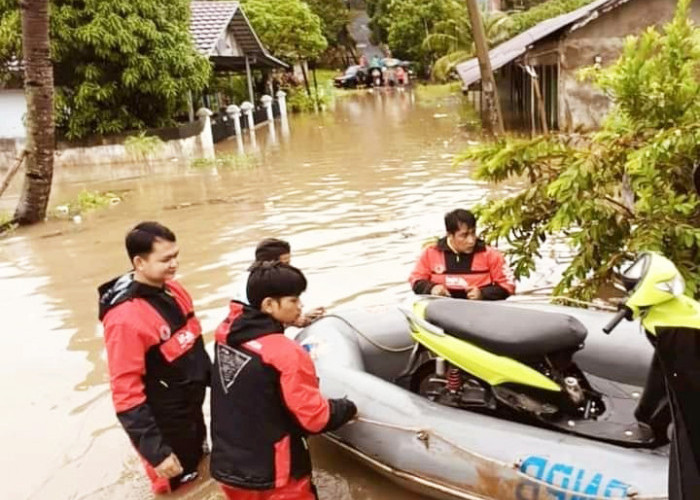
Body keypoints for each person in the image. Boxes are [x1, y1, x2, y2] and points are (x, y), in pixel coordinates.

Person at [211, 262, 358, 499]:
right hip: (277, 474)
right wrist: (346, 408)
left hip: (228, 466)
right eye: (293, 300)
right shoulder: (285, 353)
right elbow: (314, 418)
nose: (300, 306)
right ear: (268, 304)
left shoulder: (225, 335)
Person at [98, 222, 211, 494]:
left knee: (201, 467)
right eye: (166, 259)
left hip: (190, 408)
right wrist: (156, 452)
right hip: (164, 422)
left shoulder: (174, 290)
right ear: (139, 262)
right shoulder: (125, 319)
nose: (175, 264)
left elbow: (194, 344)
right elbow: (125, 392)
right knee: (177, 487)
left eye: (176, 255)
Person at [409, 209, 515, 300]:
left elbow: (508, 286)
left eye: (473, 233)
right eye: (464, 235)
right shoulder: (430, 253)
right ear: (450, 235)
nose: (471, 241)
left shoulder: (491, 255)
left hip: (481, 310)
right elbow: (415, 280)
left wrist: (483, 294)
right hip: (441, 309)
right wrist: (432, 288)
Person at [233, 238, 324, 326]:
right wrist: (295, 321)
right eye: (286, 264)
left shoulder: (253, 279)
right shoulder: (255, 289)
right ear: (271, 264)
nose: (289, 268)